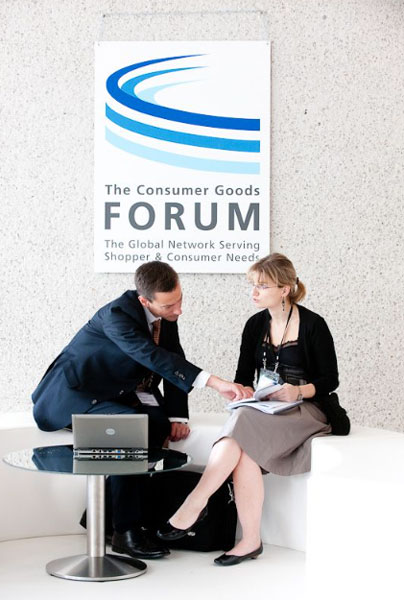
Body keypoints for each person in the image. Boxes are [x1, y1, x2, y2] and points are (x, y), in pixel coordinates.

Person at [32, 260, 251, 559]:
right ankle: (126, 531)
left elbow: (174, 358)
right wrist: (214, 382)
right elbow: (151, 356)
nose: (178, 310)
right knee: (129, 430)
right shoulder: (116, 316)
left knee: (158, 424)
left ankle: (103, 519)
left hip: (115, 393)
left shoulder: (165, 314)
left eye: (179, 299)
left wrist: (177, 416)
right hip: (74, 395)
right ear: (145, 301)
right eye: (169, 305)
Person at [157, 253, 340, 566]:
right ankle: (250, 540)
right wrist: (244, 393)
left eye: (262, 286)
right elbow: (244, 377)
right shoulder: (255, 325)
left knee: (241, 425)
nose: (254, 292)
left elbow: (330, 380)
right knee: (244, 449)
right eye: (252, 285)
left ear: (285, 290)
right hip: (268, 408)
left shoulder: (313, 325)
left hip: (308, 409)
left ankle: (196, 503)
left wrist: (298, 391)